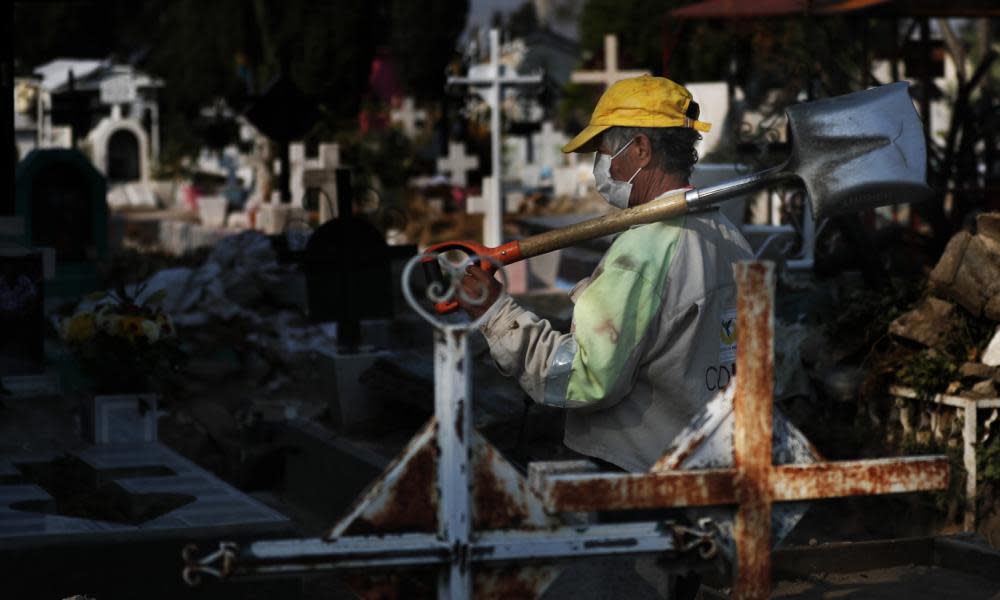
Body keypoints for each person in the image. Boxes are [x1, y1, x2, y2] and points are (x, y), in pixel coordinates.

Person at [459, 75, 753, 473]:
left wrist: (496, 315)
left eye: (603, 152)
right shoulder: (728, 235)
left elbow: (581, 379)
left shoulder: (645, 250)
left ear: (642, 149)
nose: (600, 167)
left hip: (647, 476)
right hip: (722, 462)